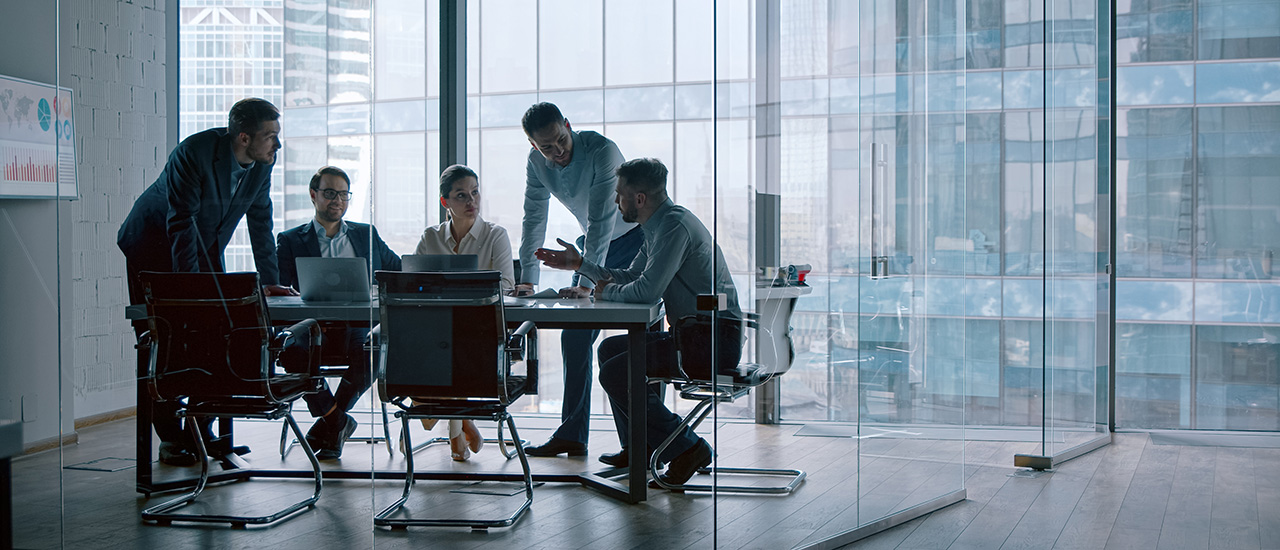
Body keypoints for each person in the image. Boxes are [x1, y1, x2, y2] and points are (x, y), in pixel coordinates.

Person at [534, 157, 742, 486]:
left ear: (639, 199)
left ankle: (688, 446)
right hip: (693, 335)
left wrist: (604, 291)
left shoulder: (674, 227)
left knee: (618, 370)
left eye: (619, 196)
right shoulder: (658, 226)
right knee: (611, 350)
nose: (616, 203)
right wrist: (582, 264)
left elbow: (646, 292)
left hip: (712, 341)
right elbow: (631, 275)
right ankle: (639, 447)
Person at [117, 97, 294, 467]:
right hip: (152, 243)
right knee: (162, 338)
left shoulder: (263, 164)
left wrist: (272, 282)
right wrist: (192, 292)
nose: (277, 145)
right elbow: (180, 222)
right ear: (244, 137)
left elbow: (261, 223)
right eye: (270, 136)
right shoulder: (194, 152)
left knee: (216, 334)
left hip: (204, 242)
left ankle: (199, 429)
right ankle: (171, 439)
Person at [516, 102, 643, 458]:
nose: (556, 152)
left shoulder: (603, 151)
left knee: (638, 338)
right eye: (546, 147)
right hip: (594, 247)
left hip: (636, 242)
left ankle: (639, 444)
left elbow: (602, 217)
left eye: (560, 140)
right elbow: (533, 218)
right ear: (533, 146)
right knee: (574, 334)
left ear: (569, 126)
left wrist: (587, 280)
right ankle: (572, 432)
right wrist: (527, 278)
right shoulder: (537, 164)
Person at [275, 165, 402, 459]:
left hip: (355, 326)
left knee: (374, 351)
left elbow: (397, 271)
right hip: (310, 328)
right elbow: (281, 289)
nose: (338, 200)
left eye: (343, 194)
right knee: (291, 353)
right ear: (313, 195)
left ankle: (331, 423)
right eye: (330, 193)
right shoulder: (291, 240)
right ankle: (336, 422)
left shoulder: (365, 234)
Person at [415, 164, 514, 460]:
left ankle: (442, 419)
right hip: (436, 332)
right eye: (461, 195)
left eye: (474, 192)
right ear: (445, 202)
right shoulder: (430, 238)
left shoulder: (496, 235)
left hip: (480, 331)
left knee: (450, 347)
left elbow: (506, 285)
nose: (471, 201)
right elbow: (413, 285)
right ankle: (459, 423)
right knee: (415, 345)